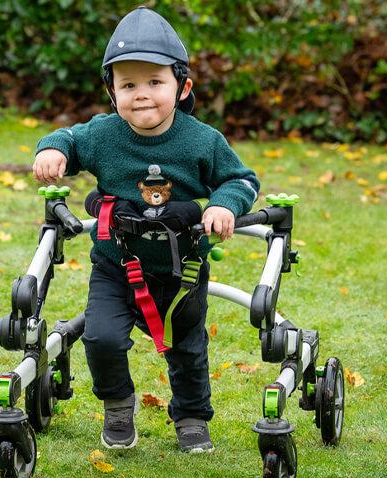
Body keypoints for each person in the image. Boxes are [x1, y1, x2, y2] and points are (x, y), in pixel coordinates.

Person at [32, 6, 259, 453]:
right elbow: (70, 139)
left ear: (182, 86)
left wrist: (223, 205)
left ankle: (192, 417)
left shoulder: (202, 141)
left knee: (187, 348)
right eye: (128, 84)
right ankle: (118, 405)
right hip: (116, 266)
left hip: (183, 271)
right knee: (100, 337)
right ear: (111, 91)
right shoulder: (103, 135)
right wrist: (52, 149)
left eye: (155, 82)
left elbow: (241, 179)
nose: (141, 95)